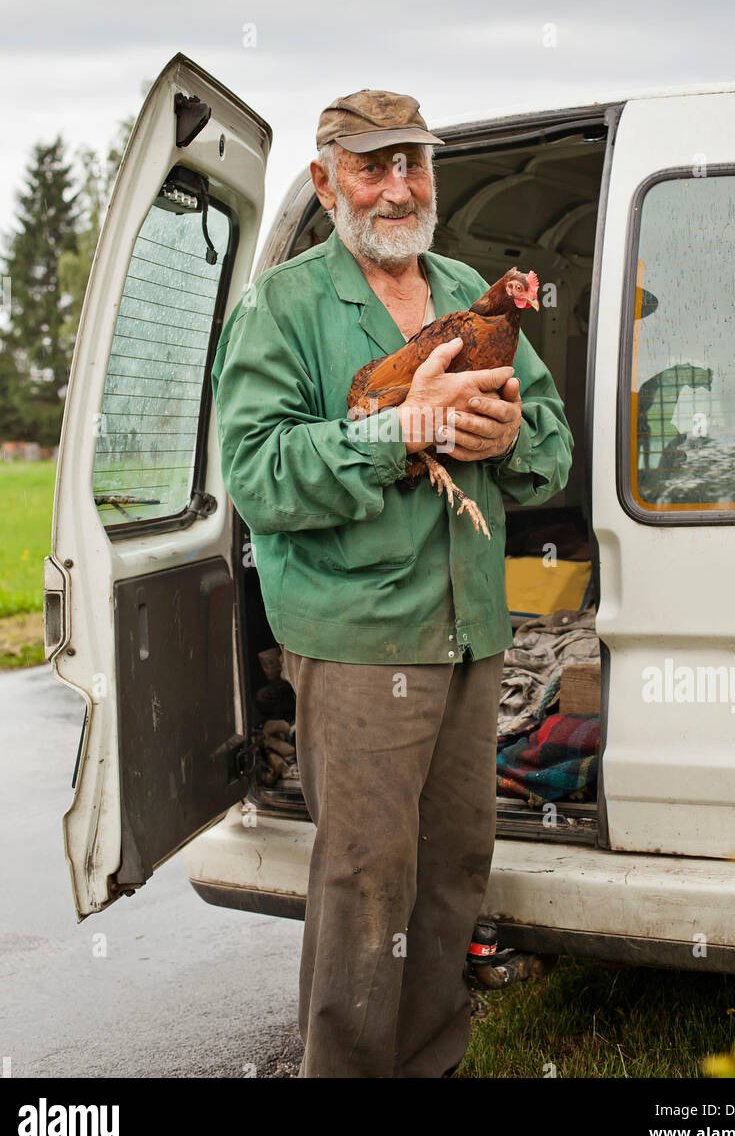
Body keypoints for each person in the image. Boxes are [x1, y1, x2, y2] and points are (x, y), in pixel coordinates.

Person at [211, 88, 573, 1077]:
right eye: (372, 165)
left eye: (411, 161)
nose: (398, 183)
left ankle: (429, 1065)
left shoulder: (463, 283)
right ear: (328, 181)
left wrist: (510, 435)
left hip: (470, 630)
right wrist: (395, 428)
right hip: (359, 636)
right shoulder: (281, 307)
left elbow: (546, 446)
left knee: (452, 872)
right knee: (368, 883)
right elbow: (257, 472)